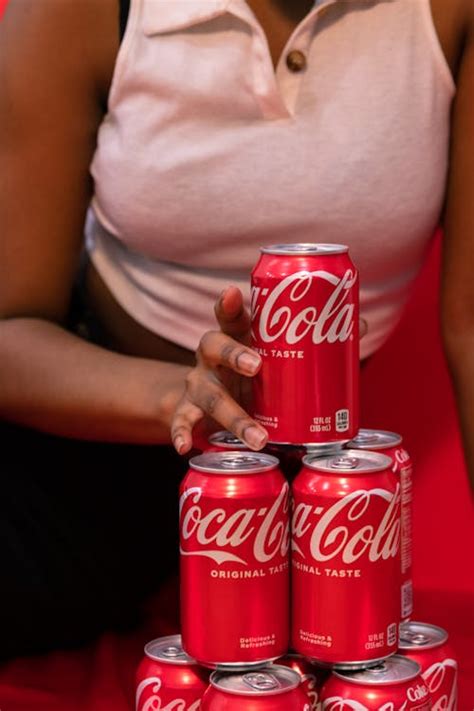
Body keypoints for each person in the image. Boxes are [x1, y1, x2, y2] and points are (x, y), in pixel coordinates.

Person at [0, 0, 473, 659]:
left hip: (323, 494)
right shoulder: (71, 11)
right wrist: (179, 398)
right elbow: (8, 331)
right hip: (83, 452)